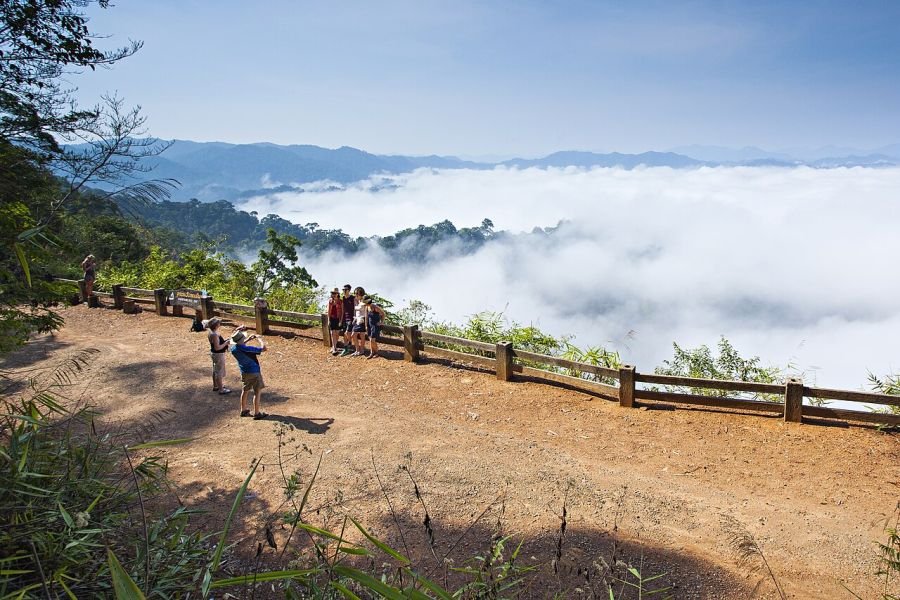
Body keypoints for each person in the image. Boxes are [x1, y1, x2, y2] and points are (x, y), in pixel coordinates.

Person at [230, 330, 268, 419]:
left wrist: (248, 339)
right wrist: (260, 339)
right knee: (257, 391)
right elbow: (264, 348)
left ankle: (243, 410)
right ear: (242, 339)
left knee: (245, 390)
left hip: (244, 372)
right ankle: (257, 413)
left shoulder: (233, 348)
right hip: (254, 371)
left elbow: (240, 345)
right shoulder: (247, 349)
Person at [204, 317, 234, 394]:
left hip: (215, 354)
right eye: (219, 323)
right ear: (216, 325)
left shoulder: (211, 332)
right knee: (219, 372)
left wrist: (224, 341)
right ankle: (221, 389)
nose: (220, 324)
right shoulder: (214, 334)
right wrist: (226, 343)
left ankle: (216, 386)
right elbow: (217, 348)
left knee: (215, 370)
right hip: (218, 354)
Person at [363, 295, 387, 359]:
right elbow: (366, 317)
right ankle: (372, 352)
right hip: (369, 325)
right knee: (370, 340)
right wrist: (365, 325)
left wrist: (381, 322)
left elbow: (383, 314)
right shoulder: (366, 307)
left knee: (372, 340)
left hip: (375, 326)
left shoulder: (375, 307)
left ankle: (376, 352)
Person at [349, 286, 367, 356]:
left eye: (357, 294)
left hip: (362, 320)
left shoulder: (364, 301)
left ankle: (361, 350)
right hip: (357, 320)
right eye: (355, 293)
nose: (356, 295)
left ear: (361, 294)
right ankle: (358, 350)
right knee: (355, 335)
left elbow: (362, 308)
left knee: (359, 335)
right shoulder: (358, 301)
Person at [339, 284, 356, 356]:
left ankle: (349, 343)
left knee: (347, 333)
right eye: (343, 290)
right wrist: (341, 320)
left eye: (345, 290)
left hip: (351, 319)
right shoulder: (343, 298)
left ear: (349, 290)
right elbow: (343, 310)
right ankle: (346, 349)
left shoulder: (353, 298)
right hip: (345, 319)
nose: (344, 291)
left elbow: (355, 308)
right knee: (344, 334)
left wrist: (355, 318)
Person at [327, 288, 343, 355]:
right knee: (332, 333)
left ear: (337, 294)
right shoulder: (330, 301)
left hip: (338, 319)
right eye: (332, 293)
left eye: (334, 293)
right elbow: (328, 311)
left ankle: (334, 346)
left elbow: (342, 312)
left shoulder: (340, 301)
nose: (333, 294)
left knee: (337, 333)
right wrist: (328, 320)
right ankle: (334, 348)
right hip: (332, 318)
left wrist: (341, 321)